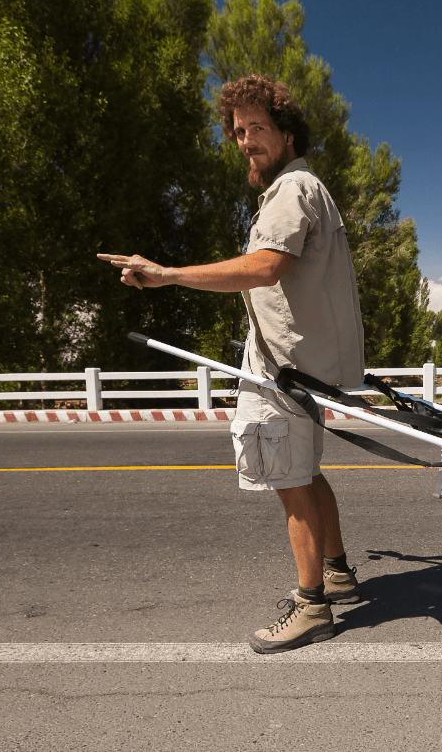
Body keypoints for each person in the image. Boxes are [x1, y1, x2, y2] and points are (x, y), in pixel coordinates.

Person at [98, 74, 365, 653]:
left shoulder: (291, 190)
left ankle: (311, 606)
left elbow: (266, 265)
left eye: (258, 128)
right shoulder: (304, 188)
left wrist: (168, 275)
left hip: (284, 372)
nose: (245, 141)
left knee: (291, 482)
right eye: (239, 131)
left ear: (288, 132)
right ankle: (338, 571)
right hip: (303, 368)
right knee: (307, 472)